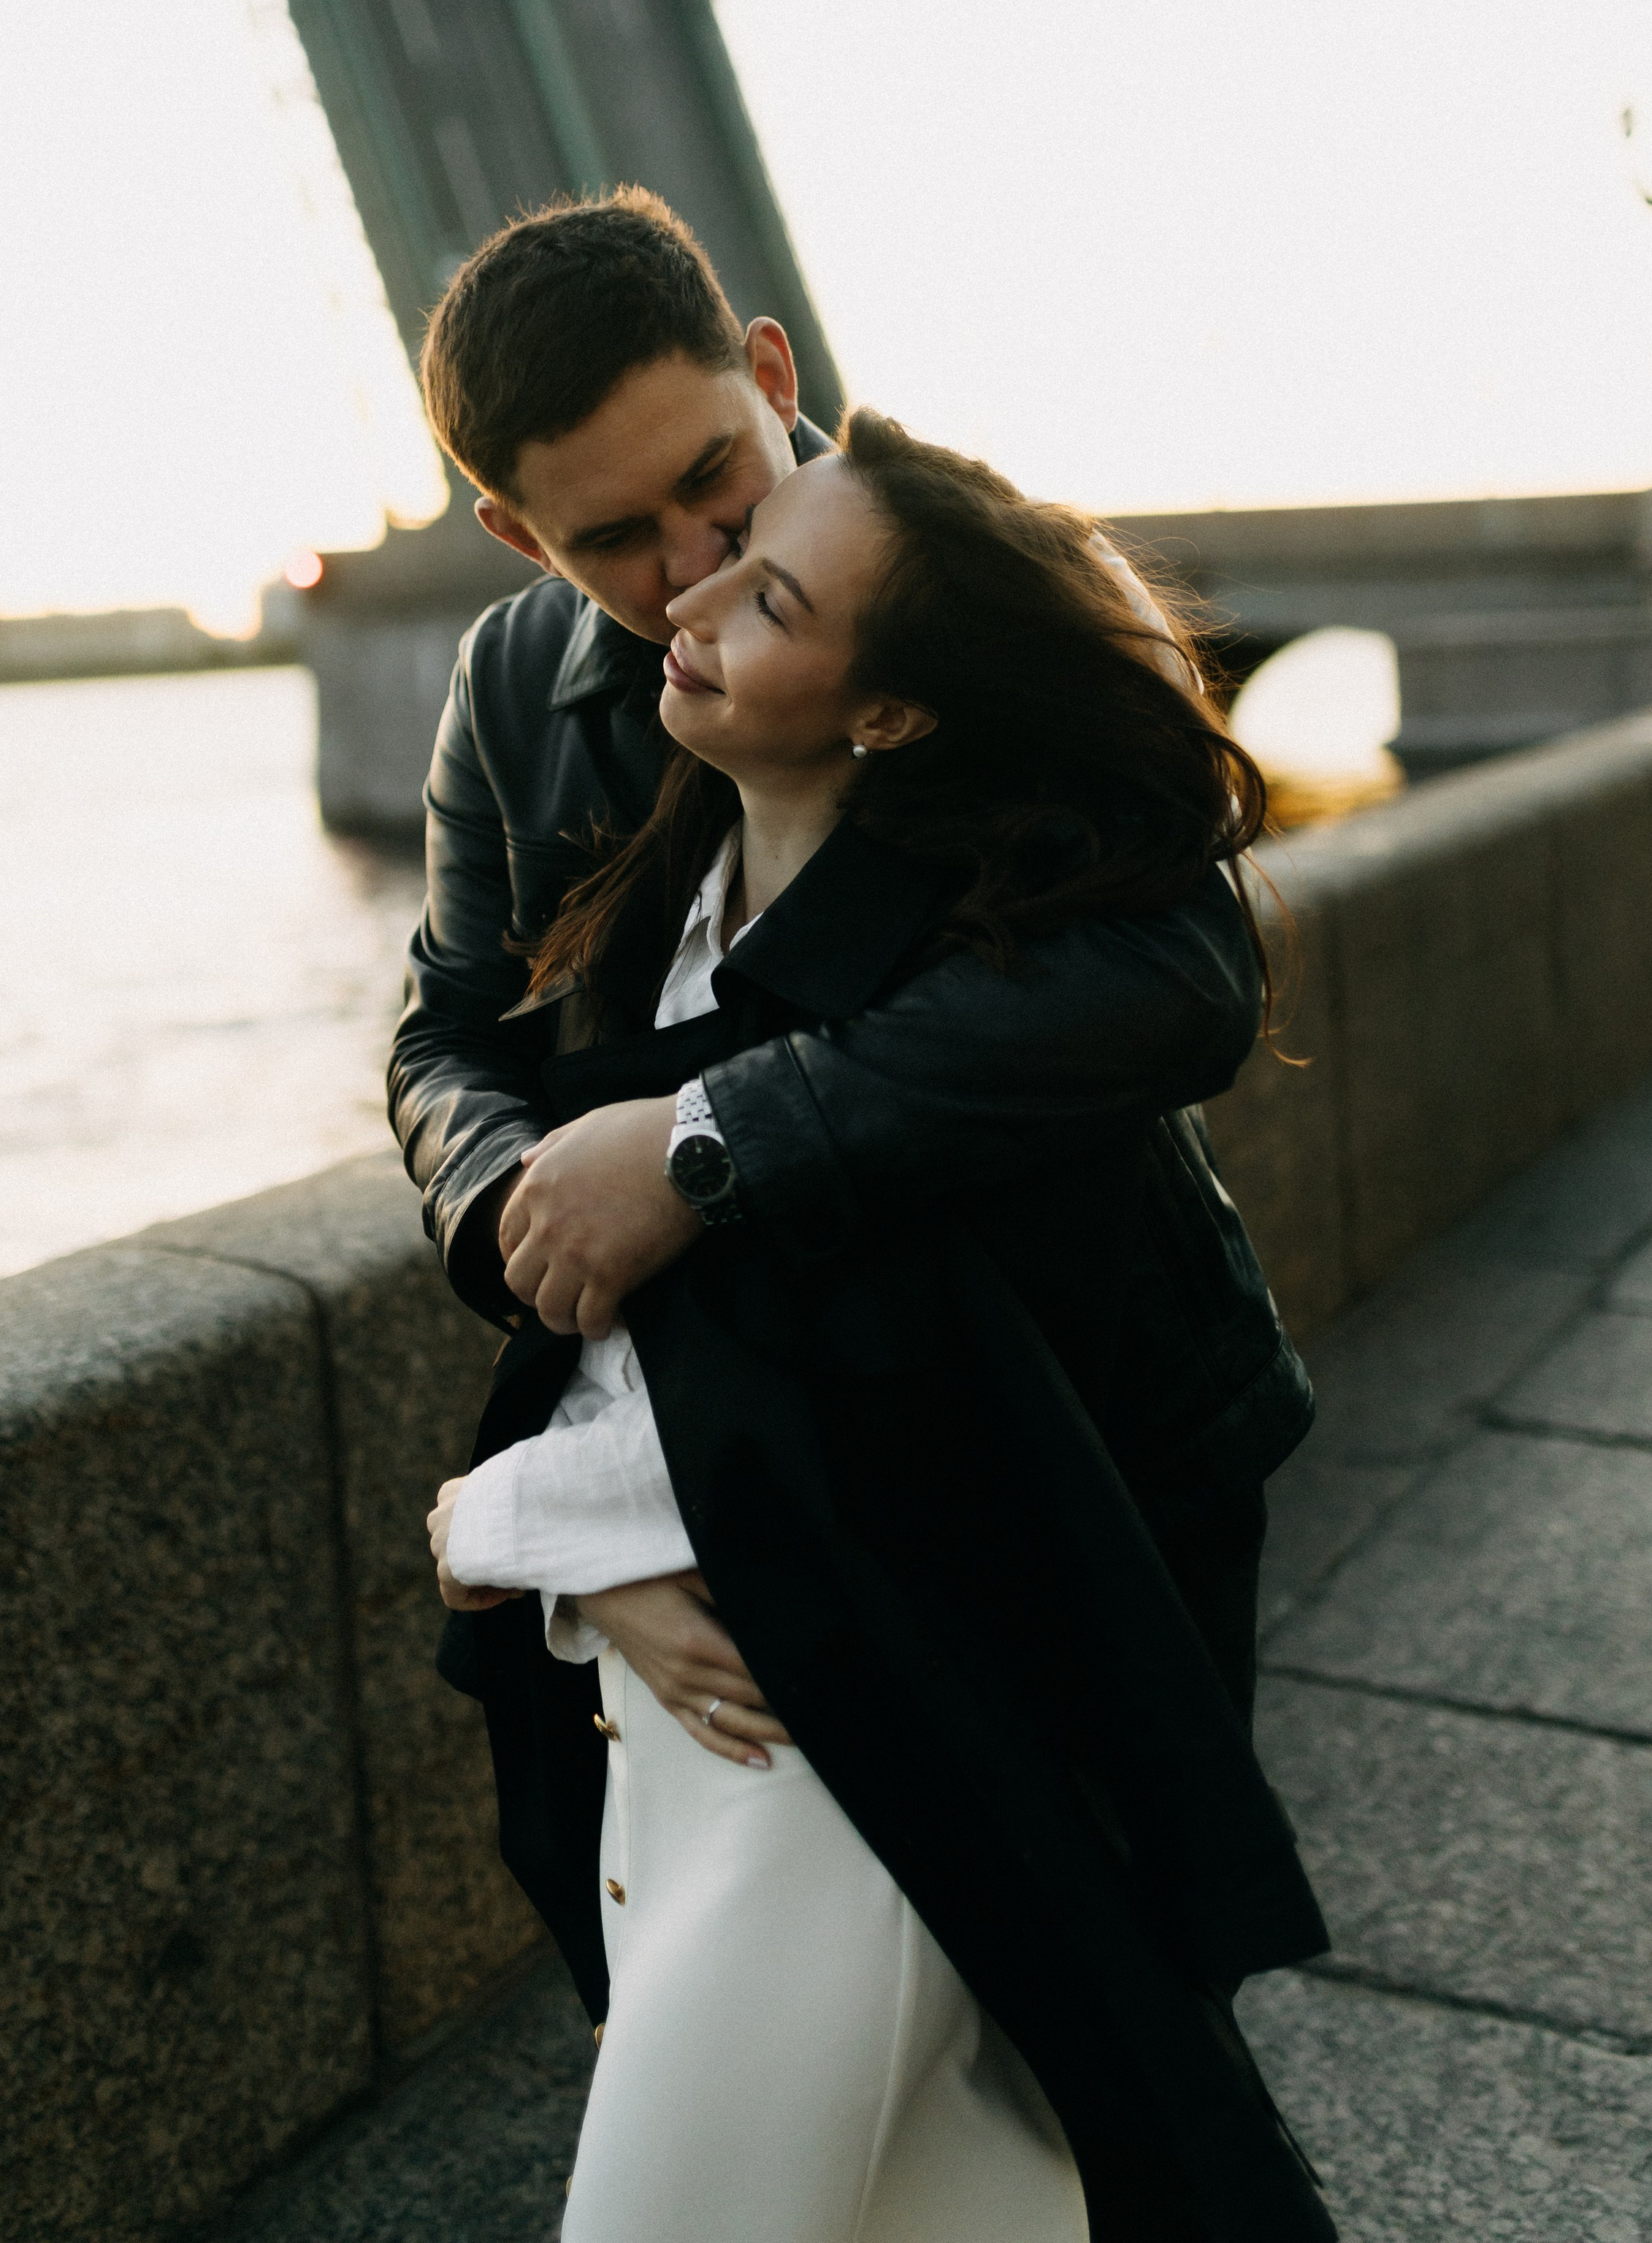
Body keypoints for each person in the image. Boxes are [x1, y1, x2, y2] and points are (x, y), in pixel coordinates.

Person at [422, 412, 1333, 2241]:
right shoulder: (672, 897)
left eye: (758, 581)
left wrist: (506, 1527)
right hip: (709, 1753)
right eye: (649, 549)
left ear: (891, 712)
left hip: (859, 1780)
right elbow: (466, 1074)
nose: (690, 591)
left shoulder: (935, 1017)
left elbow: (843, 1455)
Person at [391, 188, 1308, 1767]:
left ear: (767, 367)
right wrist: (524, 1215)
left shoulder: (971, 575)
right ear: (514, 538)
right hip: (748, 1450)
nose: (689, 565)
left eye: (710, 480)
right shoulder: (509, 687)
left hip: (1089, 1418)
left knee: (1119, 1944)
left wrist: (711, 1145)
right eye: (609, 539)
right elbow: (445, 1040)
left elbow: (1180, 968)